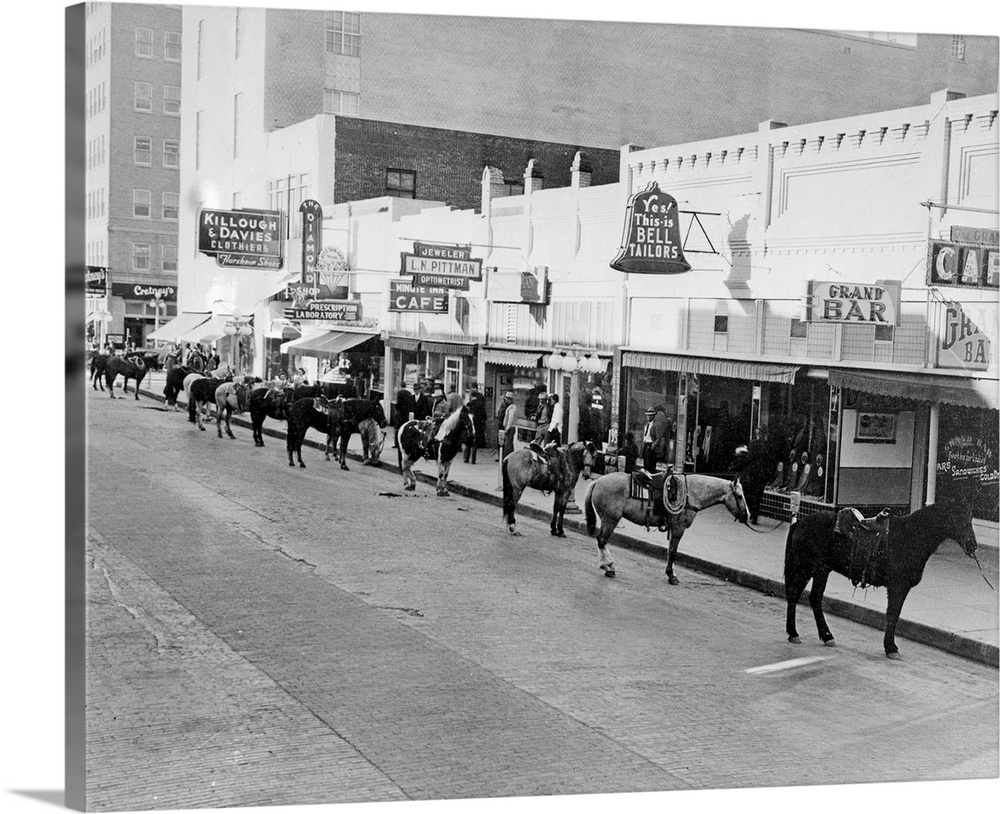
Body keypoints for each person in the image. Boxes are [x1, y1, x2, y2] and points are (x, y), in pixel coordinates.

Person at [499, 391, 516, 462]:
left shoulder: (512, 407)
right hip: (509, 428)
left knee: (507, 446)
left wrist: (507, 428)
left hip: (510, 428)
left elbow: (510, 419)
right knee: (509, 445)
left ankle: (506, 460)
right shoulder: (510, 407)